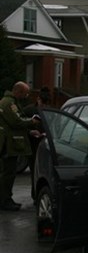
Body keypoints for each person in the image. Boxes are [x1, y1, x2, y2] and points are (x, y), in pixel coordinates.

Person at [0, 81, 41, 211]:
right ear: (18, 91)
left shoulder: (10, 102)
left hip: (9, 143)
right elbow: (16, 122)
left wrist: (29, 131)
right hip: (7, 144)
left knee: (9, 172)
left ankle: (6, 199)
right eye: (25, 93)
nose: (26, 96)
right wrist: (32, 122)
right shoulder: (9, 103)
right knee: (8, 173)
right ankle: (4, 201)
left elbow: (15, 124)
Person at [22, 86, 51, 200]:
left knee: (43, 171)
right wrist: (30, 132)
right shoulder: (28, 110)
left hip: (45, 144)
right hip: (31, 144)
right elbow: (20, 125)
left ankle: (38, 195)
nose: (43, 106)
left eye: (46, 104)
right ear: (38, 99)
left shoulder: (49, 110)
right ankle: (35, 196)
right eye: (42, 103)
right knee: (34, 170)